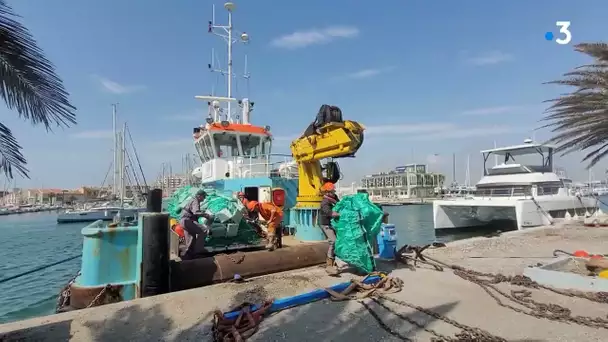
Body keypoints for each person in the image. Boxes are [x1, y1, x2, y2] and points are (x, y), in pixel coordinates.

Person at [179, 190, 214, 259]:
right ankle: (198, 251)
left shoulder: (192, 200)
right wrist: (206, 215)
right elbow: (196, 212)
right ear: (199, 196)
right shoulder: (195, 201)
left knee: (191, 238)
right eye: (203, 197)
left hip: (183, 221)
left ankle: (188, 256)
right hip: (188, 221)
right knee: (204, 231)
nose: (204, 199)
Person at [319, 182, 340, 275]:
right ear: (327, 192)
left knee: (338, 242)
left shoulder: (334, 198)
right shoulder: (325, 202)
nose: (333, 193)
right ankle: (329, 264)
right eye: (331, 191)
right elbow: (331, 213)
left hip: (333, 224)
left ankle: (335, 262)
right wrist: (343, 214)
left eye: (333, 191)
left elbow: (340, 205)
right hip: (326, 224)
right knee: (333, 241)